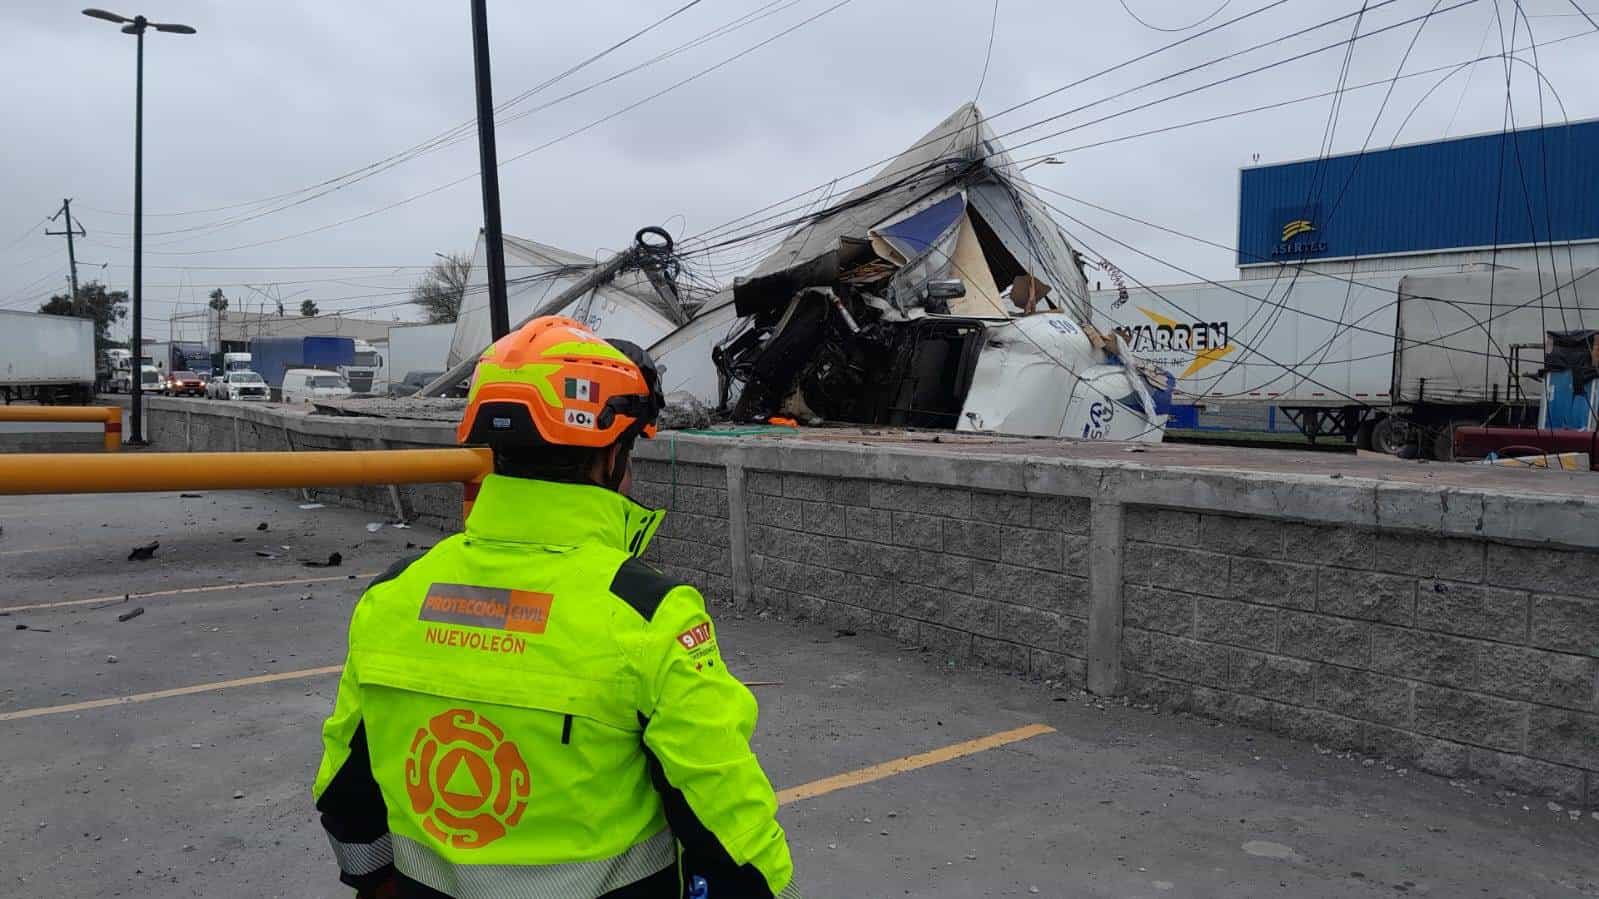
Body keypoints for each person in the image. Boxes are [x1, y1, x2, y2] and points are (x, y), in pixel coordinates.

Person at [312, 316, 799, 898]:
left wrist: (370, 878)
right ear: (610, 455)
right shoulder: (645, 613)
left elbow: (347, 781)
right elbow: (724, 817)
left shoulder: (393, 594)